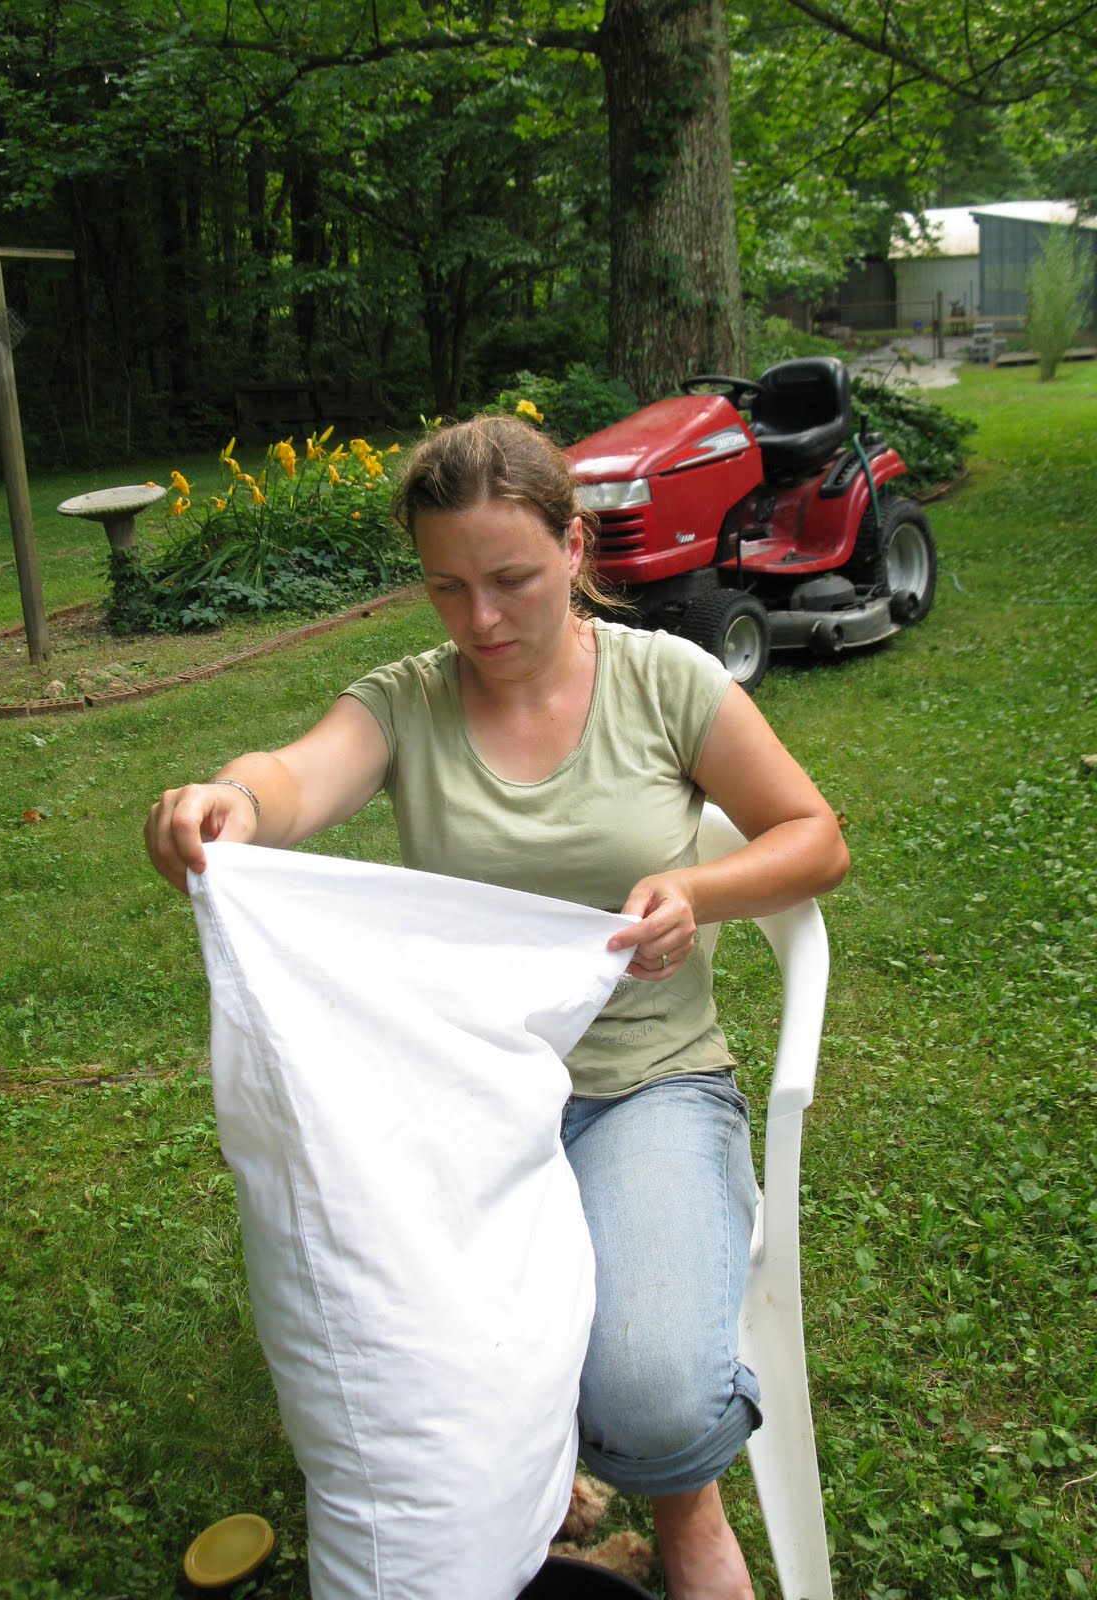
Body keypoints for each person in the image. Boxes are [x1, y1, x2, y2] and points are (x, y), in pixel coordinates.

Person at [145, 414, 849, 1600]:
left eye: (513, 578)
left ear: (576, 548)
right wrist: (226, 802)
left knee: (657, 1390)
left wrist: (696, 887)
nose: (480, 620)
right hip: (459, 1094)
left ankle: (684, 1502)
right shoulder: (409, 703)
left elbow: (813, 837)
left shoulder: (664, 679)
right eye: (447, 588)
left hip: (643, 1083)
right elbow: (293, 776)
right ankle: (529, 1490)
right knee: (395, 1343)